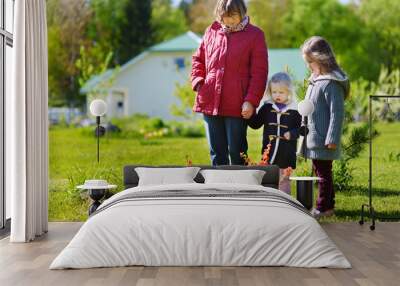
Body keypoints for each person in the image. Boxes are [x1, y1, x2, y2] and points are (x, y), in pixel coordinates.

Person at [191, 0, 268, 166]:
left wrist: (250, 101)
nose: (229, 20)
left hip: (238, 105)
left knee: (237, 152)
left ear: (242, 12)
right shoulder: (211, 31)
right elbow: (198, 59)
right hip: (210, 102)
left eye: (233, 15)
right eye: (225, 16)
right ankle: (219, 190)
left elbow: (259, 72)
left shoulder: (255, 35)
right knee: (217, 153)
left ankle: (241, 190)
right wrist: (199, 83)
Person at [301, 36, 350, 218]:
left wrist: (332, 138)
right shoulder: (316, 81)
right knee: (322, 172)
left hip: (324, 139)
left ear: (321, 59)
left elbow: (337, 113)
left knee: (323, 174)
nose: (309, 66)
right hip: (314, 137)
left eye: (310, 62)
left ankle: (322, 207)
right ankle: (329, 205)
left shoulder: (331, 83)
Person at [247, 72, 301, 194]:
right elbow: (256, 124)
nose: (277, 95)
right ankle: (271, 203)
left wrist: (292, 134)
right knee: (269, 179)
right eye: (274, 92)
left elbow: (303, 129)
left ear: (289, 92)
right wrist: (249, 115)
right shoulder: (267, 108)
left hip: (286, 154)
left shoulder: (295, 111)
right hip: (269, 153)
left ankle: (285, 202)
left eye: (281, 92)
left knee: (284, 179)